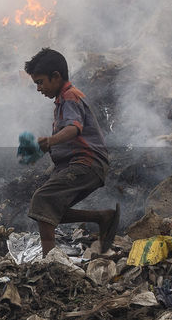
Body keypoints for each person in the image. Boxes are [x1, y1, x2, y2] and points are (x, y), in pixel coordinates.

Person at [23, 47, 119, 256]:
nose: (39, 89)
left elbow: (74, 128)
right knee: (48, 210)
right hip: (81, 164)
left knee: (43, 200)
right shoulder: (61, 102)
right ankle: (103, 217)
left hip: (87, 162)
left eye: (40, 82)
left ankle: (51, 261)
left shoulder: (69, 97)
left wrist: (50, 141)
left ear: (56, 76)